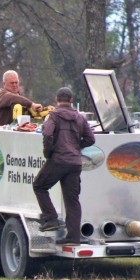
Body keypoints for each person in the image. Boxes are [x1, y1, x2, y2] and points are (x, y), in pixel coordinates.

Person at [33, 87, 95, 245]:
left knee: (39, 186)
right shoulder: (80, 118)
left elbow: (47, 134)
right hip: (75, 163)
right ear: (71, 100)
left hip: (58, 160)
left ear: (56, 100)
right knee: (72, 200)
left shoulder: (53, 115)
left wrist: (48, 152)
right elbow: (91, 139)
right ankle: (73, 237)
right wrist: (76, 147)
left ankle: (51, 218)